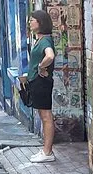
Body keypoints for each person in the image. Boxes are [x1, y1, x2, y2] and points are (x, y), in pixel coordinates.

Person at [26, 10, 56, 163]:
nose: (30, 22)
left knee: (46, 116)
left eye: (33, 20)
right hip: (36, 82)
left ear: (41, 23)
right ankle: (45, 149)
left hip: (42, 82)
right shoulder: (40, 39)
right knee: (43, 116)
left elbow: (50, 56)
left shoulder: (45, 41)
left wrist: (41, 67)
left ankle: (48, 152)